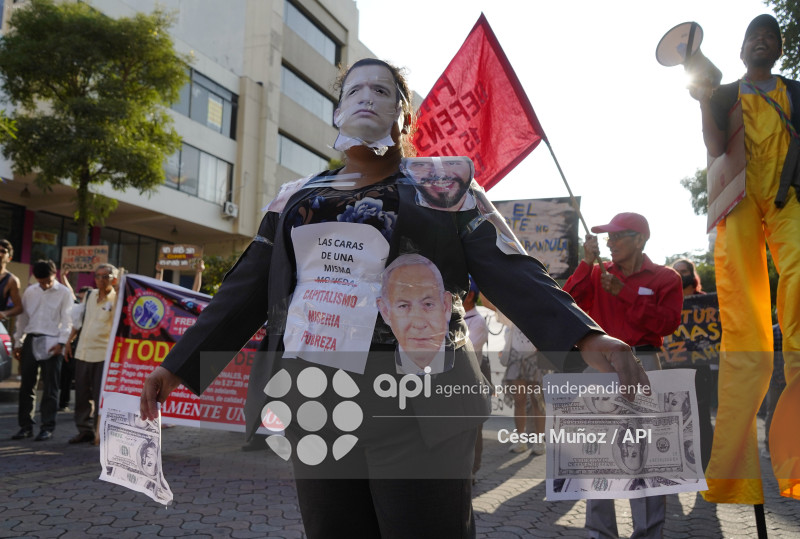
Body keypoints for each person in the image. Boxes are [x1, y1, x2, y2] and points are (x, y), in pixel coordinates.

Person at [140, 58, 648, 538]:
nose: (366, 98)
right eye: (353, 90)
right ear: (337, 112)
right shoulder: (294, 198)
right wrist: (178, 364)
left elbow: (510, 268)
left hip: (421, 405)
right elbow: (244, 288)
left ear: (405, 117)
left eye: (383, 90)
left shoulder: (446, 187)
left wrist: (584, 335)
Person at [690, 13, 800, 503]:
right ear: (741, 50)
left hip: (788, 200)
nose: (763, 40)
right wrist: (702, 100)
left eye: (771, 36)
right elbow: (715, 147)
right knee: (747, 336)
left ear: (779, 49)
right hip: (736, 202)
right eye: (754, 35)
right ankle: (734, 477)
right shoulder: (724, 91)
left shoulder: (794, 92)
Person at [563, 212, 682, 539]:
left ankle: (648, 533)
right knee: (597, 455)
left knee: (647, 457)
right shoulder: (598, 273)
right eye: (608, 237)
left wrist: (624, 293)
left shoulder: (665, 277)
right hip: (599, 366)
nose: (610, 243)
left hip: (645, 364)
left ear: (640, 238)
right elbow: (567, 303)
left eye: (617, 236)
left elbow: (667, 324)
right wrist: (586, 264)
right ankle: (600, 533)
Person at [11, 260, 73, 441]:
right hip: (31, 339)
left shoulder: (64, 292)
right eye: (41, 281)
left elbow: (67, 319)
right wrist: (18, 342)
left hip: (53, 340)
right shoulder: (31, 291)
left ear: (55, 274)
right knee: (26, 385)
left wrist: (61, 343)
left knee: (50, 387)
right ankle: (25, 426)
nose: (45, 284)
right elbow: (22, 318)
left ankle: (47, 426)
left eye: (48, 280)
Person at [669, 258, 714, 470]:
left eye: (684, 271)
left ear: (692, 274)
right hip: (670, 368)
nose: (680, 275)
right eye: (675, 272)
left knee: (701, 417)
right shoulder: (666, 300)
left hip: (699, 370)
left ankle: (705, 464)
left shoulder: (706, 301)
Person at [65, 264, 119, 444]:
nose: (101, 279)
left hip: (103, 354)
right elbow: (78, 321)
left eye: (106, 276)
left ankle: (99, 432)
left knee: (99, 395)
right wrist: (69, 341)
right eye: (98, 276)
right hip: (83, 351)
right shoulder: (89, 295)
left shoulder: (117, 298)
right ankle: (84, 430)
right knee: (81, 394)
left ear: (114, 278)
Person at [377, 254, 452, 374]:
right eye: (403, 306)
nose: (418, 324)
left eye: (428, 304)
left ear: (446, 306)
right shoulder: (373, 373)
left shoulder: (467, 372)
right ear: (386, 312)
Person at [501, 322, 546, 455]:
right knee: (519, 400)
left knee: (537, 401)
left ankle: (539, 442)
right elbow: (490, 305)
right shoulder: (514, 307)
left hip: (537, 356)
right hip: (516, 356)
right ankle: (520, 440)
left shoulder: (542, 307)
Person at [463, 275, 490, 481]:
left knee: (472, 429)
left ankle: (472, 469)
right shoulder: (449, 317)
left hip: (470, 384)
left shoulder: (478, 321)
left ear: (471, 295)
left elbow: (466, 352)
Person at [59, 284, 92, 412]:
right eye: (81, 297)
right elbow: (75, 327)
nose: (82, 300)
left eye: (85, 297)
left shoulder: (96, 309)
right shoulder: (76, 308)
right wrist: (68, 343)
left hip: (88, 350)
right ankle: (64, 403)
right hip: (73, 347)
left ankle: (85, 409)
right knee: (66, 377)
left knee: (84, 381)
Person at [400, 156, 473, 210]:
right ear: (404, 170)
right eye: (421, 164)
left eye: (452, 163)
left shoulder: (482, 207)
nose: (439, 175)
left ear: (471, 167)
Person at [0, 239, 23, 322]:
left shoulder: (11, 280)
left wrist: (5, 313)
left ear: (9, 258)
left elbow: (19, 308)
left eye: (3, 251)